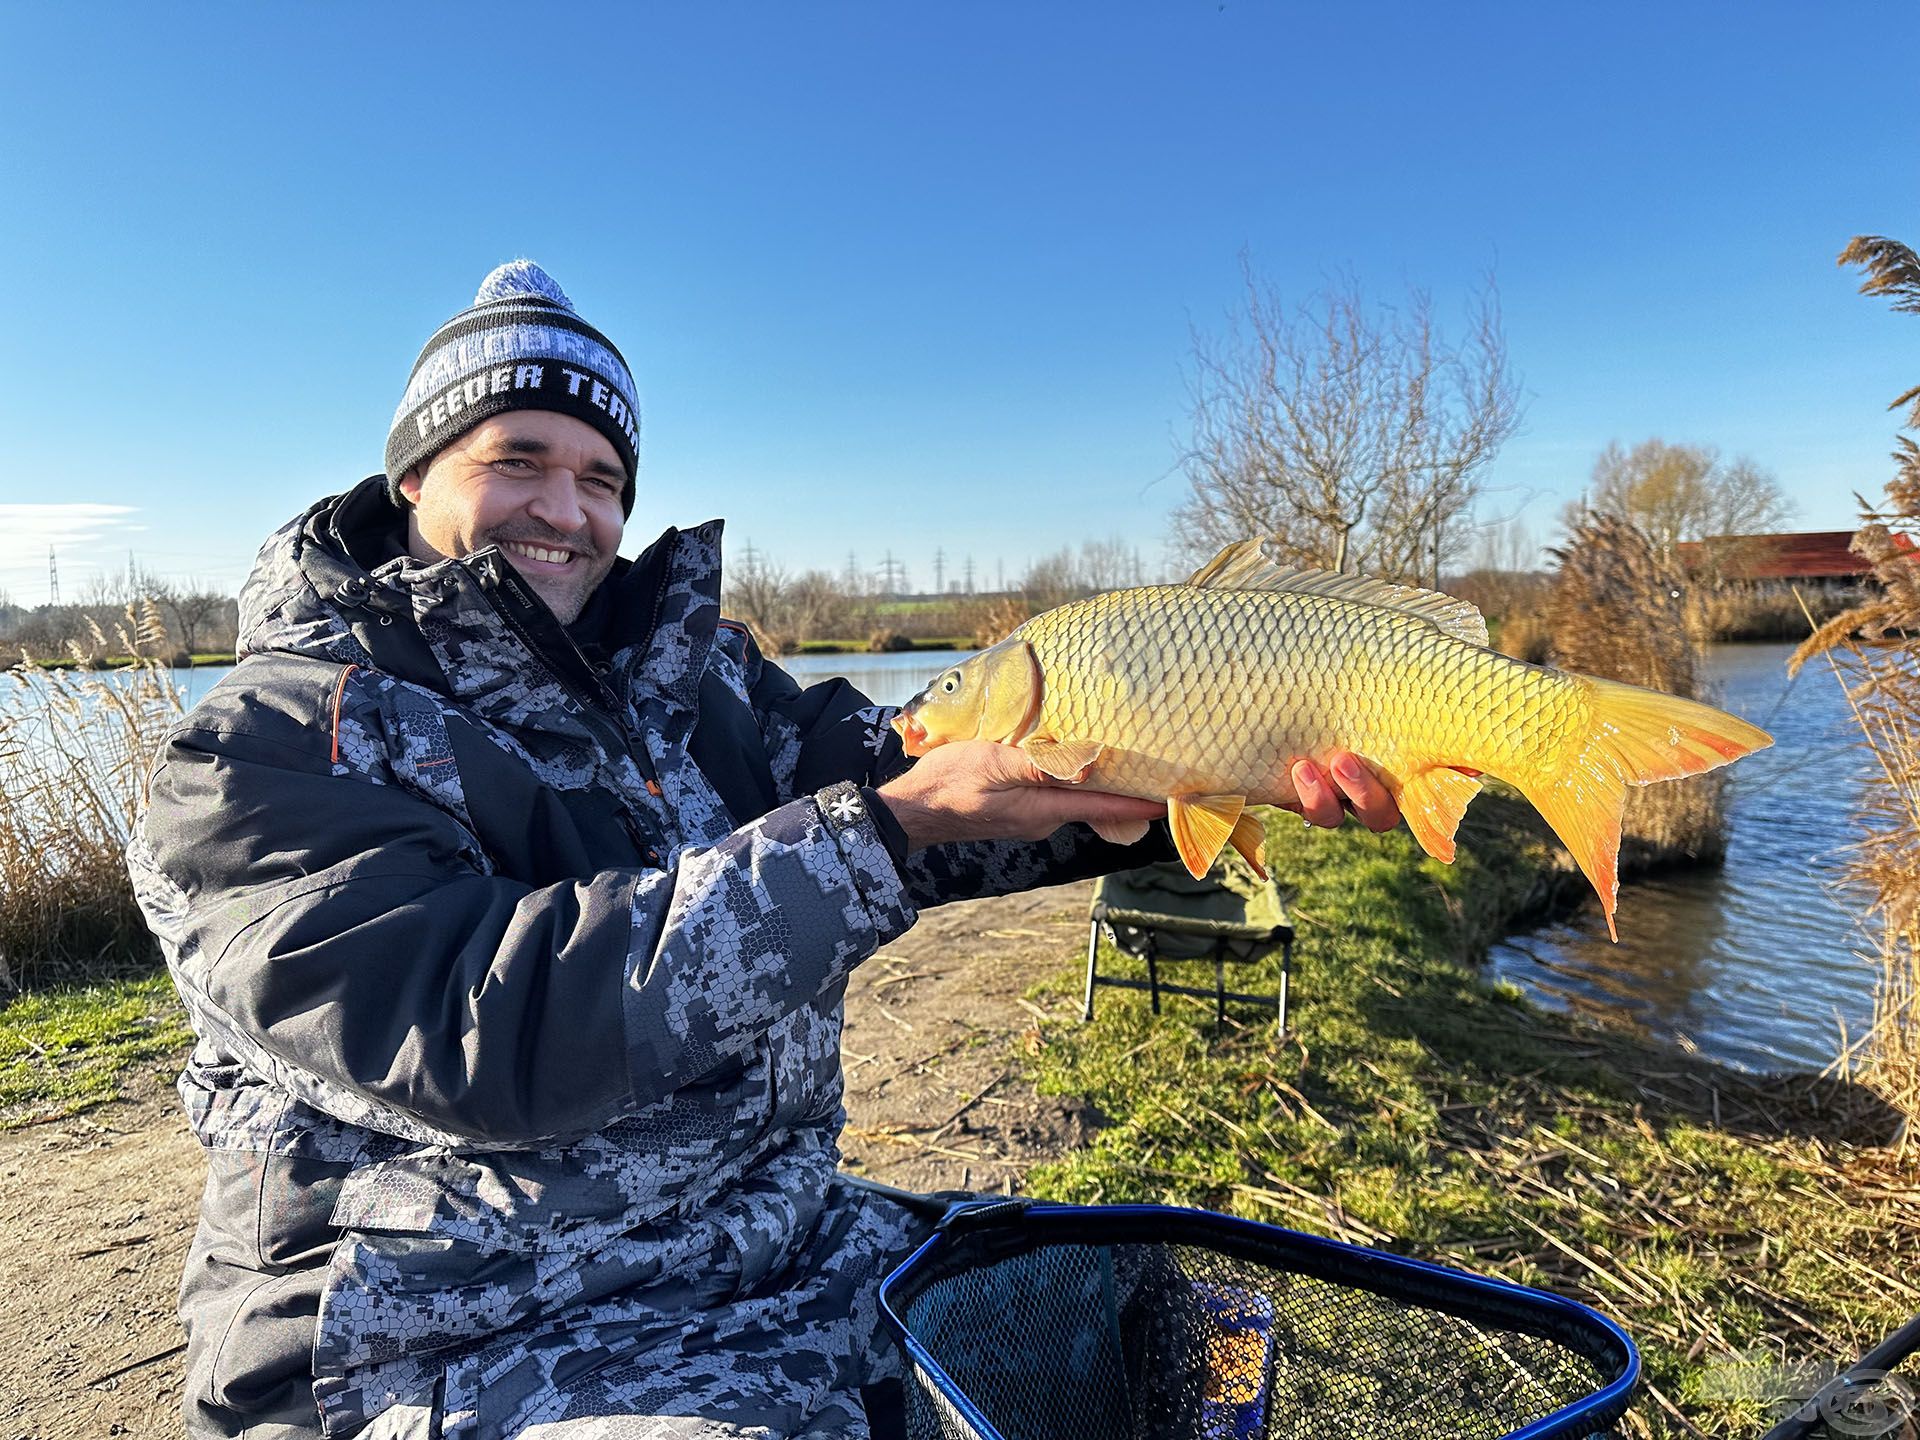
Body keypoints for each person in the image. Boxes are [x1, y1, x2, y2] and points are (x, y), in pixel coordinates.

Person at [129, 261, 1400, 1439]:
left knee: (1148, 1316)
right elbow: (483, 1032)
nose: (566, 513)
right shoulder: (265, 748)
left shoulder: (700, 685)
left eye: (603, 479)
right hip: (433, 1329)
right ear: (413, 474)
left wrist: (1195, 767)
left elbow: (916, 770)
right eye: (519, 462)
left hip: (765, 1246)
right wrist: (884, 838)